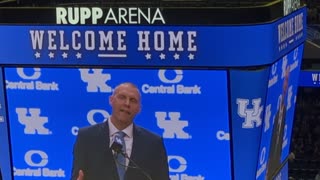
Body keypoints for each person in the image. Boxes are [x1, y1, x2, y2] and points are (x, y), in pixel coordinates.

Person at [71, 82, 169, 180]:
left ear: (139, 109)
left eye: (133, 100)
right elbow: (77, 176)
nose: (127, 103)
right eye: (122, 97)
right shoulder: (87, 137)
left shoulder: (153, 143)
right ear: (111, 100)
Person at [266, 67, 290, 180]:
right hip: (270, 161)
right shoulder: (275, 113)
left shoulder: (284, 110)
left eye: (287, 79)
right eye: (285, 80)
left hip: (277, 160)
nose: (285, 84)